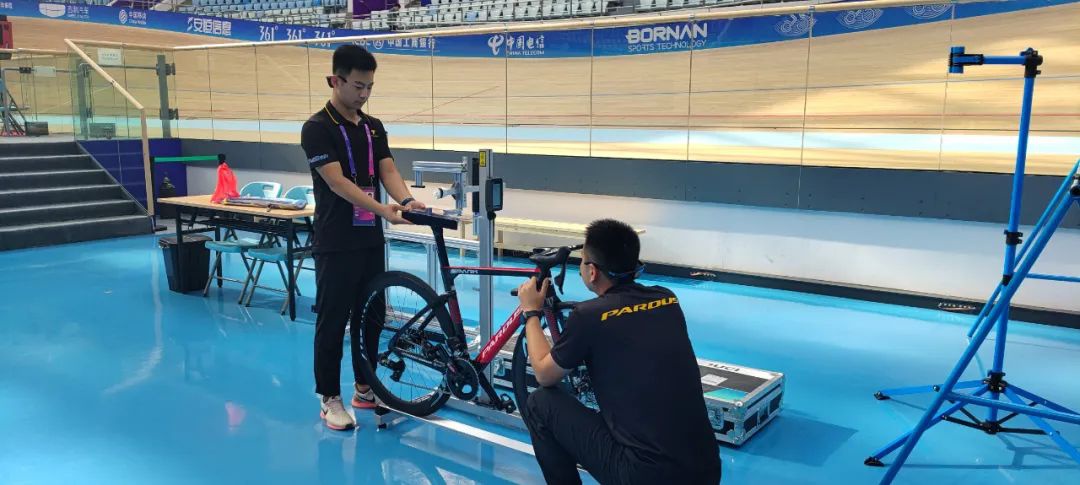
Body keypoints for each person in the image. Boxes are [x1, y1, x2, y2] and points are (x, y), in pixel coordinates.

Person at [515, 219, 722, 484]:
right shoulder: (667, 299)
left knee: (540, 403)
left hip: (643, 477)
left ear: (592, 272)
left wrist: (531, 312)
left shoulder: (589, 316)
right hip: (706, 470)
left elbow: (544, 374)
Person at [301, 44, 425, 431]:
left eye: (370, 87)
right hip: (336, 241)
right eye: (358, 86)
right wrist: (383, 210)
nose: (364, 94)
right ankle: (329, 397)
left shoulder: (373, 126)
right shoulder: (316, 128)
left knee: (371, 316)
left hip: (370, 239)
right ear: (334, 81)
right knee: (333, 321)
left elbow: (387, 169)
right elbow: (337, 182)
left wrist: (406, 200)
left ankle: (364, 387)